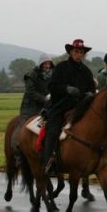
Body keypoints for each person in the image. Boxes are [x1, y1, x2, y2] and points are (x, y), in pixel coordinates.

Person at [41, 39, 96, 174]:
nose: (79, 54)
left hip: (81, 107)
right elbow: (52, 87)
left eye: (81, 52)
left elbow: (92, 90)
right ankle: (49, 162)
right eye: (76, 51)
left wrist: (90, 94)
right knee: (53, 130)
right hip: (61, 106)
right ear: (71, 52)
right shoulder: (61, 67)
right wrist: (66, 89)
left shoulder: (87, 71)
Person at [11, 59, 54, 165]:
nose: (47, 66)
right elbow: (30, 92)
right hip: (29, 106)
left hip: (45, 106)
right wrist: (45, 98)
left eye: (49, 64)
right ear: (40, 64)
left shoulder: (52, 75)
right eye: (45, 64)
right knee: (22, 126)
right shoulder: (31, 75)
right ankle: (17, 152)